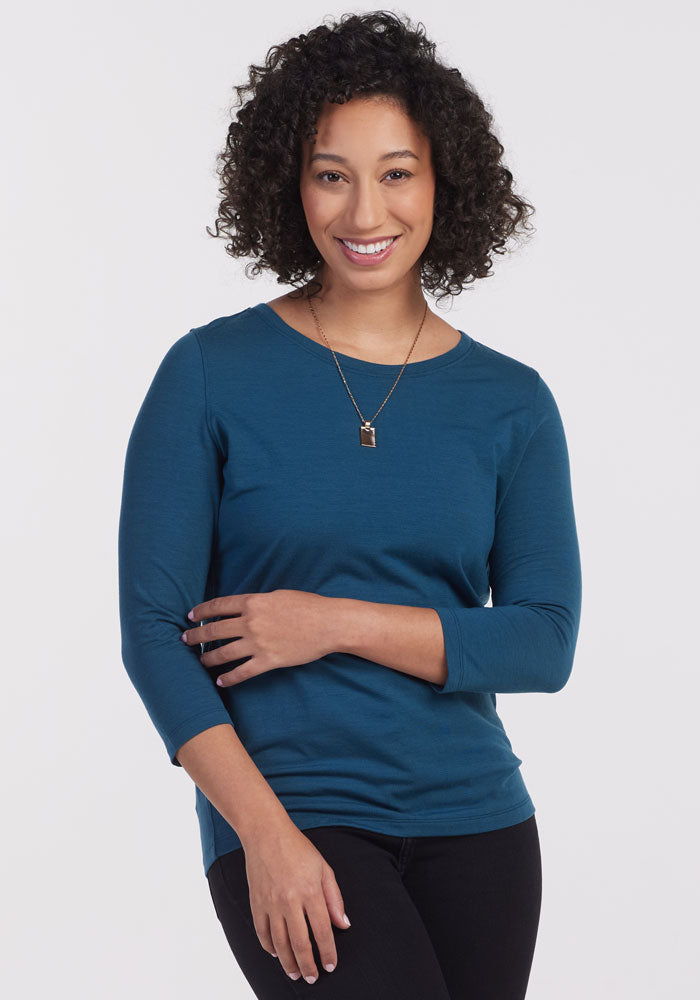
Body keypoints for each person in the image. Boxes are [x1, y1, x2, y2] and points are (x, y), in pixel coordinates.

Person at [118, 10, 582, 999]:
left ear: (441, 181)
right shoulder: (210, 373)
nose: (364, 210)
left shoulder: (512, 401)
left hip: (481, 825)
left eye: (396, 172)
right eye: (332, 173)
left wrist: (327, 622)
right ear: (289, 184)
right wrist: (263, 837)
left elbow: (542, 640)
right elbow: (154, 634)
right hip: (294, 817)